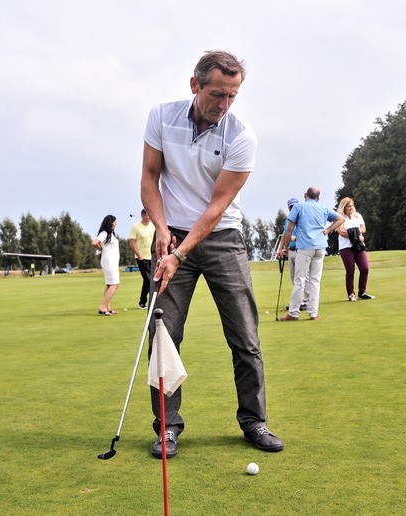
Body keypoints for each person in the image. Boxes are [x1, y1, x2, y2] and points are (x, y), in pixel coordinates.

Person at [141, 50, 284, 459]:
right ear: (195, 85)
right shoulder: (161, 117)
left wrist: (179, 253)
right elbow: (149, 180)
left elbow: (217, 207)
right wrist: (164, 232)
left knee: (245, 335)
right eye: (218, 94)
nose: (224, 105)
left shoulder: (241, 136)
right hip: (173, 233)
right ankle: (167, 427)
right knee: (164, 336)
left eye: (233, 96)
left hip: (221, 237)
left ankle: (254, 421)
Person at [278, 187, 344, 321]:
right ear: (318, 198)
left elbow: (289, 228)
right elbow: (340, 219)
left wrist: (285, 247)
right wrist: (328, 230)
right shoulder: (323, 208)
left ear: (305, 195)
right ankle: (313, 314)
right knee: (315, 281)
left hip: (305, 247)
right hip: (320, 247)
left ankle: (294, 313)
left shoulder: (298, 207)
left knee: (300, 280)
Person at [336, 197, 374, 301]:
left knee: (365, 268)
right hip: (346, 247)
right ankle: (351, 294)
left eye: (352, 205)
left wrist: (355, 234)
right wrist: (357, 236)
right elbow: (342, 232)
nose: (351, 208)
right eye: (349, 206)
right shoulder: (340, 218)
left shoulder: (358, 216)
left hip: (358, 245)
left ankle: (362, 292)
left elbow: (363, 229)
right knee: (350, 270)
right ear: (344, 207)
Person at [280, 197, 309, 311]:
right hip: (291, 251)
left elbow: (307, 234)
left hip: (301, 250)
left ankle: (307, 301)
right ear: (289, 208)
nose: (293, 208)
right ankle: (299, 301)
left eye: (295, 206)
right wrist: (281, 249)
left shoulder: (304, 217)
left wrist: (295, 238)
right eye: (291, 207)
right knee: (294, 278)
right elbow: (284, 235)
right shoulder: (288, 219)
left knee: (303, 277)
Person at [92, 215, 120, 316]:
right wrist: (100, 248)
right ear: (110, 223)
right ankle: (103, 306)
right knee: (114, 284)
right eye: (115, 222)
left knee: (110, 284)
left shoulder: (111, 234)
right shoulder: (104, 233)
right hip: (109, 262)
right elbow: (95, 242)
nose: (116, 223)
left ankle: (107, 306)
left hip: (112, 261)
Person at [129, 209, 156, 309]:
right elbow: (132, 242)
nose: (149, 217)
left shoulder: (153, 225)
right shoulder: (136, 227)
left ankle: (142, 302)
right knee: (148, 279)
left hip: (153, 257)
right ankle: (149, 302)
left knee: (149, 280)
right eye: (148, 215)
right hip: (142, 258)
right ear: (143, 216)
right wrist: (139, 256)